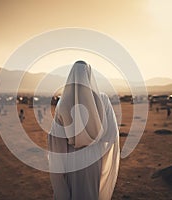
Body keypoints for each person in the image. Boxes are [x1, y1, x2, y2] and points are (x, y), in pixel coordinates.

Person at [48, 61, 120, 200]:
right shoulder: (103, 99)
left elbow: (56, 140)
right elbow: (111, 135)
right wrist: (96, 144)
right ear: (89, 76)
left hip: (71, 160)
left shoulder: (62, 102)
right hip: (94, 160)